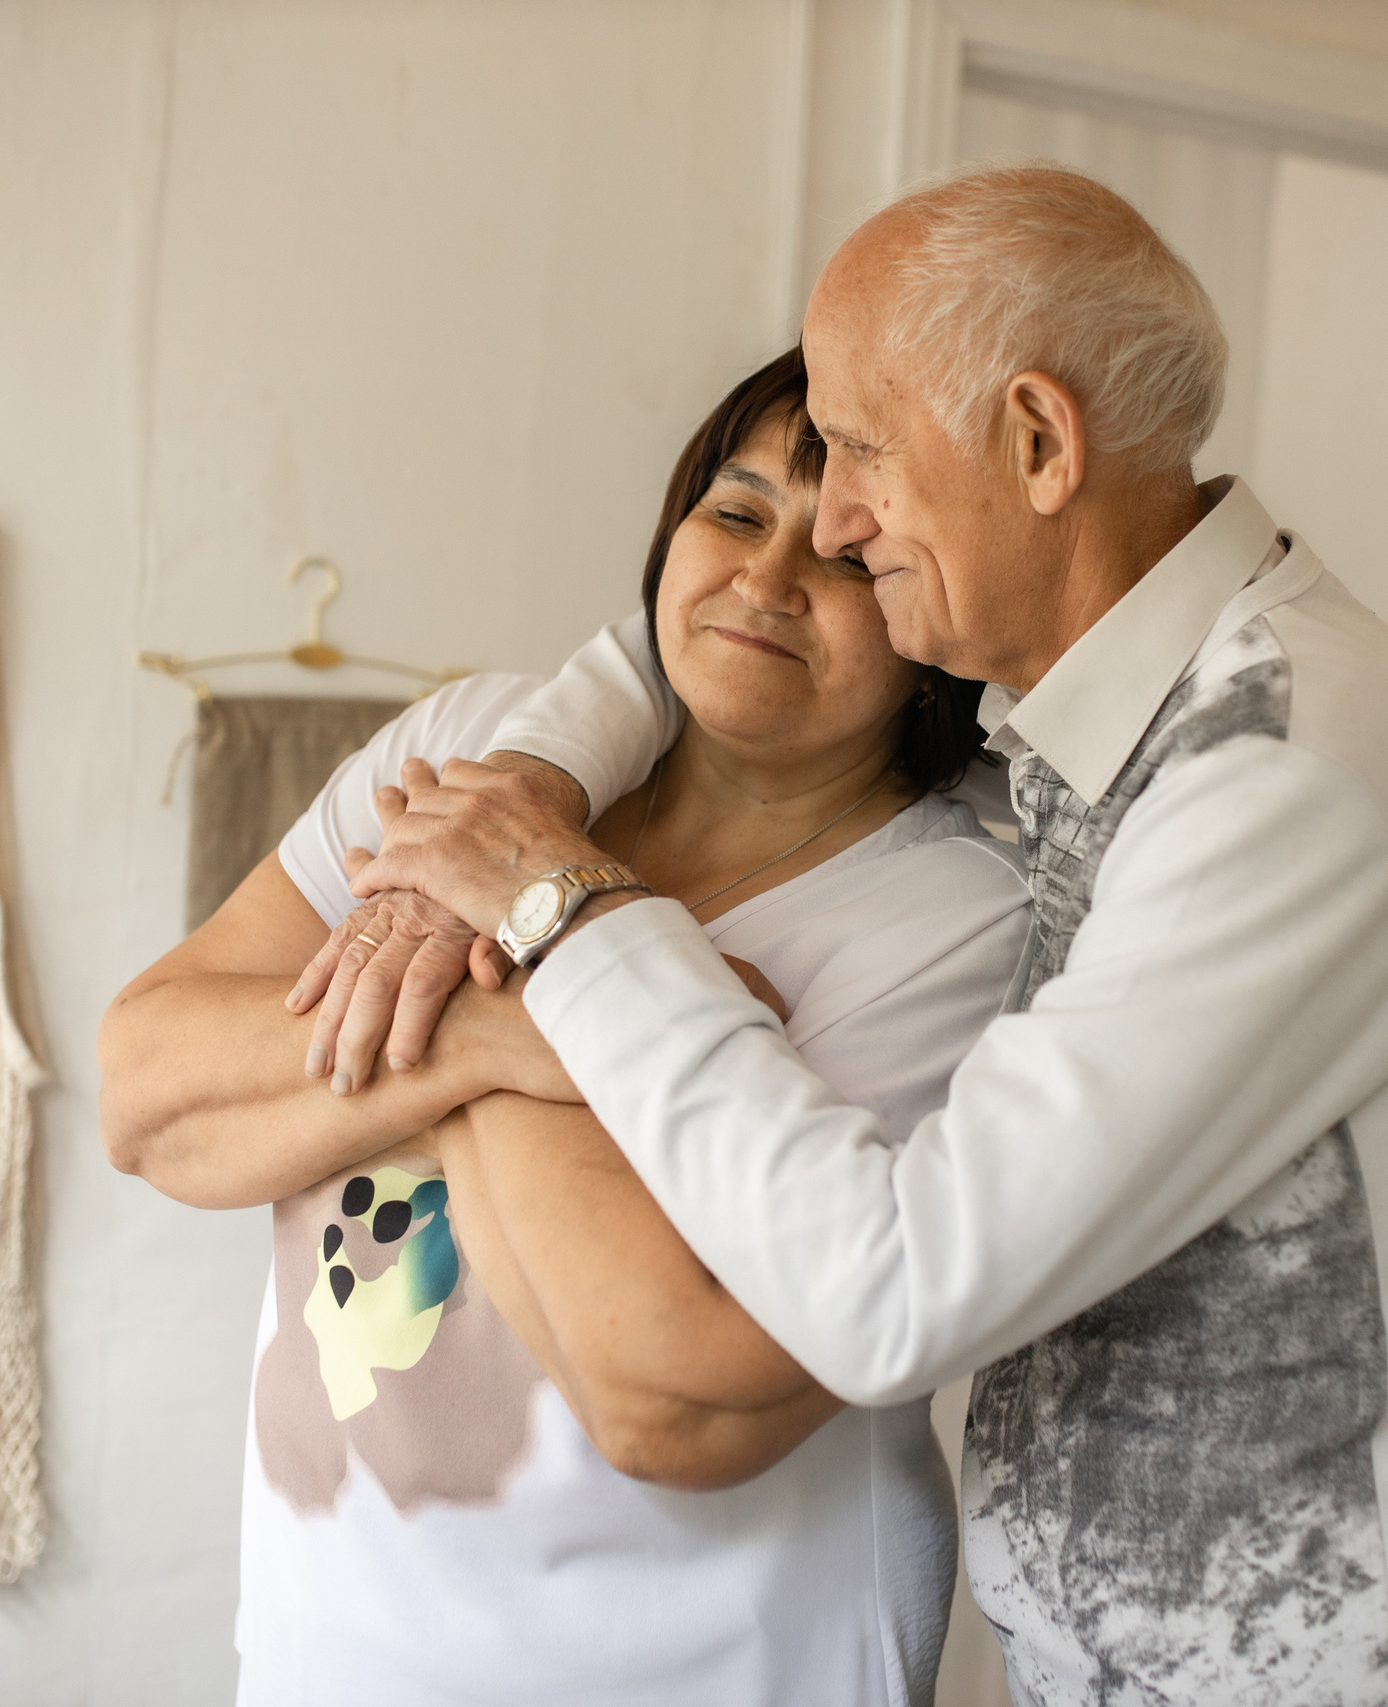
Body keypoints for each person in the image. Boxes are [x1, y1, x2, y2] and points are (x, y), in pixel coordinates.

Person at [332, 163, 1388, 1704]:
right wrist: (545, 758)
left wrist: (555, 909)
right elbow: (729, 654)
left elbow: (889, 1290)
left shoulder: (1279, 780)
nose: (833, 524)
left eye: (855, 450)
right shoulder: (1110, 712)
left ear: (1040, 444)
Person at [96, 347, 1031, 1706]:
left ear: (928, 614)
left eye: (841, 554)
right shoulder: (474, 750)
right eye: (735, 509)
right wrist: (506, 1027)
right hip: (324, 1659)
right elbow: (148, 1096)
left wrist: (499, 935)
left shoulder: (953, 919)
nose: (767, 580)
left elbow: (664, 1394)